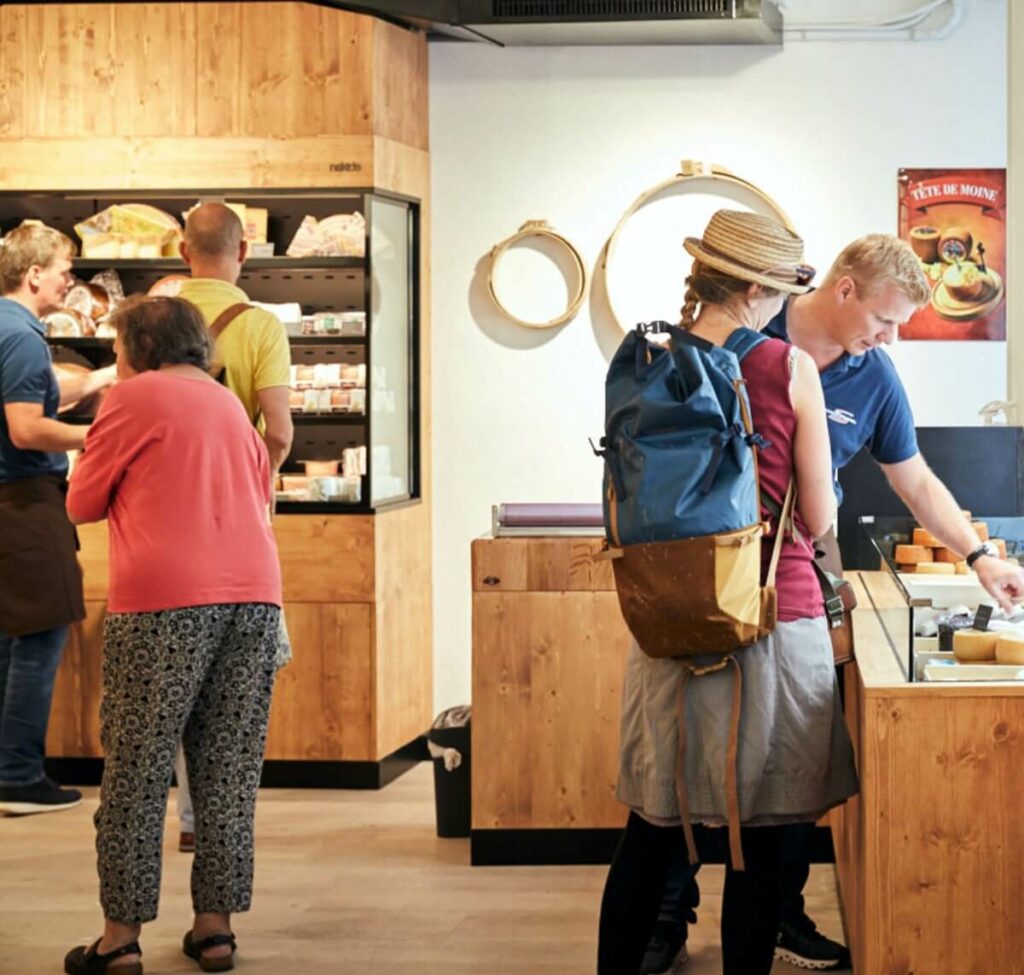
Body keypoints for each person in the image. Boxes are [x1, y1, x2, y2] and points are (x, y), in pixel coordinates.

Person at [652, 233, 1024, 973]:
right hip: (704, 565)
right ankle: (668, 911)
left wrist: (980, 556)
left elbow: (914, 481)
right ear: (845, 288)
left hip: (797, 567)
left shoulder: (873, 376)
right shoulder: (749, 331)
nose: (888, 341)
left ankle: (780, 910)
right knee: (692, 751)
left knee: (791, 757)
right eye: (885, 321)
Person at [596, 210, 859, 975]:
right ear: (753, 287)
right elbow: (819, 513)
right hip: (770, 618)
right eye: (779, 288)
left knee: (649, 831)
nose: (782, 303)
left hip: (669, 616)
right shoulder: (786, 367)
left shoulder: (648, 361)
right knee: (764, 839)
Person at [64, 296, 282, 974]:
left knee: (137, 766)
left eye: (118, 346)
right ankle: (214, 931)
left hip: (164, 600)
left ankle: (119, 939)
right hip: (254, 595)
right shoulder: (224, 402)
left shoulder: (132, 400)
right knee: (226, 768)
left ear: (140, 347)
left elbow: (82, 502)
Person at [174, 201, 293, 854]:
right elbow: (279, 430)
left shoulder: (152, 320)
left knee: (173, 686)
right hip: (241, 536)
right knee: (237, 686)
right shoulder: (259, 325)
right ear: (243, 251)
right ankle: (225, 825)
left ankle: (189, 816)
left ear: (181, 250)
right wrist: (254, 474)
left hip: (165, 535)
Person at [0, 223, 114, 816]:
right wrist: (102, 434)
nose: (71, 280)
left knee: (9, 636)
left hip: (10, 503)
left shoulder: (7, 327)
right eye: (65, 269)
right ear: (34, 273)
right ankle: (18, 775)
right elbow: (26, 428)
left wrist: (94, 381)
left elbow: (30, 403)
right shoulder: (20, 336)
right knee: (43, 633)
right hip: (24, 501)